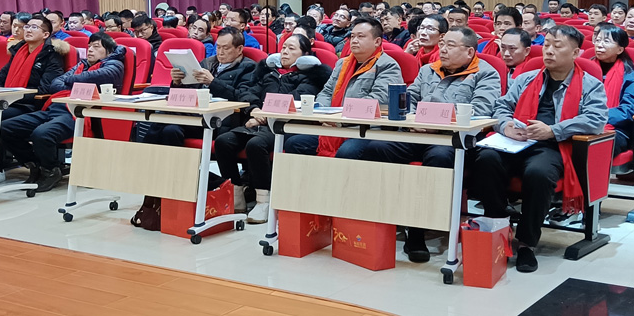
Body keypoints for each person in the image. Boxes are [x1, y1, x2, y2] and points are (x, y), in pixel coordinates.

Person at [337, 27, 500, 262]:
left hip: (450, 139)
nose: (443, 50)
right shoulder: (428, 70)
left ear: (469, 52)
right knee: (376, 148)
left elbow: (480, 110)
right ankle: (381, 218)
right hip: (417, 133)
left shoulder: (486, 74)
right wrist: (413, 119)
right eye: (442, 44)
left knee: (439, 158)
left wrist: (437, 122)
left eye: (450, 45)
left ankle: (417, 231)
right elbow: (410, 98)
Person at [470, 25, 607, 273]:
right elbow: (501, 107)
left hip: (553, 146)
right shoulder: (526, 78)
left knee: (538, 173)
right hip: (516, 141)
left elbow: (595, 119)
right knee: (486, 158)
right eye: (546, 45)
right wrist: (505, 126)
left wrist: (553, 130)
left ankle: (526, 243)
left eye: (557, 46)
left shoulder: (590, 85)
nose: (549, 51)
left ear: (575, 53)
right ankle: (499, 224)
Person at [213, 34, 332, 223]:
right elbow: (249, 92)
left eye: (292, 48)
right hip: (259, 122)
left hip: (286, 126)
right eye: (283, 47)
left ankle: (263, 201)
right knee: (223, 141)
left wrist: (264, 117)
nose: (285, 52)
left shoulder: (312, 77)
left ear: (305, 55)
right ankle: (236, 195)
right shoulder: (269, 72)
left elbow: (295, 100)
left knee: (255, 144)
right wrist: (254, 109)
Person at [1, 33, 125, 192]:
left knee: (42, 134)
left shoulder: (115, 65)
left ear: (108, 51)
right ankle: (36, 165)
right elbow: (55, 84)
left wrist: (70, 81)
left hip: (76, 113)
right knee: (6, 128)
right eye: (89, 46)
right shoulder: (82, 64)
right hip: (55, 108)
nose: (90, 50)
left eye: (96, 47)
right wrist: (77, 84)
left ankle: (50, 171)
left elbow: (98, 76)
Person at [285, 17, 403, 158]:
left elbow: (378, 99)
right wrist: (323, 115)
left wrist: (339, 118)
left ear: (377, 41)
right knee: (294, 142)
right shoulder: (343, 63)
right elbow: (327, 92)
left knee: (347, 151)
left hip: (366, 129)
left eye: (361, 36)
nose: (354, 40)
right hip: (335, 125)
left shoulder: (387, 65)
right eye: (352, 36)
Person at [142, 27, 256, 160]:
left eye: (225, 48)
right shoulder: (207, 63)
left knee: (162, 121)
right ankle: (165, 167)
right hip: (196, 114)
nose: (220, 52)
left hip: (220, 121)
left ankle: (143, 157)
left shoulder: (249, 68)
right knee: (170, 129)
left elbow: (243, 97)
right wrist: (178, 82)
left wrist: (213, 82)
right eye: (218, 47)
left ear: (239, 49)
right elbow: (189, 91)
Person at [589, 24, 634, 157]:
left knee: (592, 149)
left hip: (617, 129)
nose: (599, 45)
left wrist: (594, 117)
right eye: (598, 40)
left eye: (606, 41)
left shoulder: (629, 75)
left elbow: (627, 111)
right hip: (580, 124)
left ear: (620, 49)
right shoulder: (584, 69)